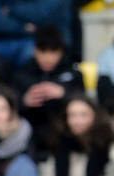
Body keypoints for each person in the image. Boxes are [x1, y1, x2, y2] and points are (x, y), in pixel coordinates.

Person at [39, 94, 111, 176]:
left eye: (84, 115)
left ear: (94, 116)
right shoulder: (58, 143)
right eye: (72, 115)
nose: (78, 121)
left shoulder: (105, 146)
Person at [12, 25, 80, 154]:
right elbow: (9, 105)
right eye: (43, 51)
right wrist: (24, 101)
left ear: (61, 52)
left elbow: (85, 102)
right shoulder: (22, 73)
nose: (48, 58)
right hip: (32, 136)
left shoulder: (72, 72)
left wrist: (64, 94)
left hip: (66, 134)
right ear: (35, 51)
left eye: (53, 52)